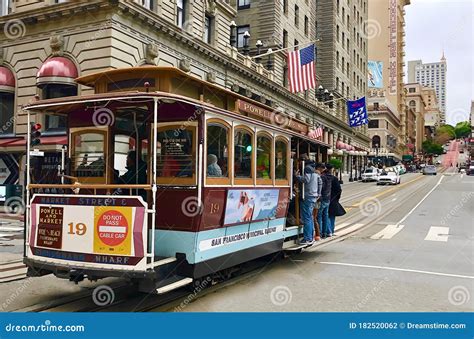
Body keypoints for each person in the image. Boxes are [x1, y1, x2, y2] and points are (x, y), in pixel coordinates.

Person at [295, 155, 322, 245]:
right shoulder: (315, 169)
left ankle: (307, 238)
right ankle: (310, 237)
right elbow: (320, 182)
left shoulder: (307, 168)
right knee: (310, 217)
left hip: (308, 196)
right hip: (313, 196)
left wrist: (297, 176)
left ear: (302, 161)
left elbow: (306, 180)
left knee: (306, 217)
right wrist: (318, 193)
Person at [327, 164, 346, 235]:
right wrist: (336, 198)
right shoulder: (334, 178)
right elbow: (339, 190)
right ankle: (331, 231)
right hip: (333, 199)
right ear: (331, 169)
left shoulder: (322, 177)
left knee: (326, 215)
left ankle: (328, 231)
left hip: (326, 198)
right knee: (331, 216)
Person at [317, 164, 332, 238]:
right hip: (328, 198)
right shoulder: (330, 177)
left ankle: (319, 232)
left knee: (319, 216)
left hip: (322, 199)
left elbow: (321, 188)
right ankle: (325, 233)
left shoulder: (322, 177)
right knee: (325, 216)